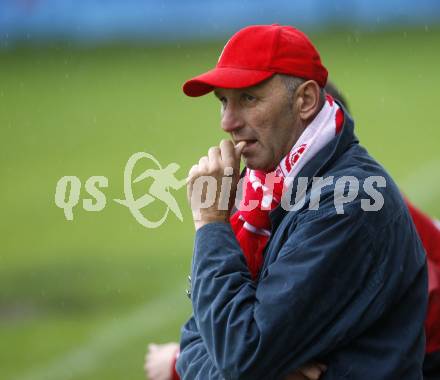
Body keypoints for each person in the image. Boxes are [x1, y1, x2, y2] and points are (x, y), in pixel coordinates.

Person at [147, 24, 430, 379]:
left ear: (306, 101)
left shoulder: (348, 202)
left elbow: (240, 353)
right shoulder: (264, 191)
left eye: (248, 98)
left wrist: (209, 224)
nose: (227, 122)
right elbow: (196, 343)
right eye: (223, 101)